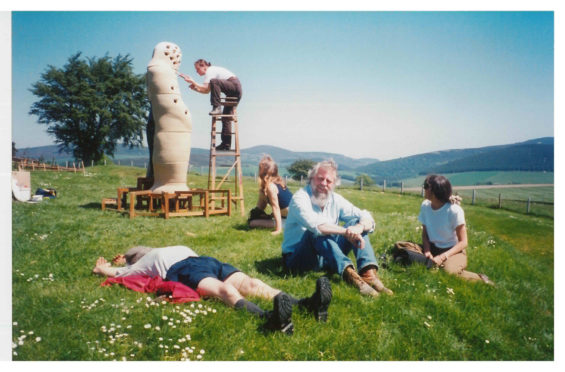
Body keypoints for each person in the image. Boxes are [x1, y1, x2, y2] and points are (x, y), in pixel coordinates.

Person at [92, 245, 332, 334]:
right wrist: (109, 266)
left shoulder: (151, 255)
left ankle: (289, 311)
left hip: (196, 265)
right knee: (238, 287)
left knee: (238, 287)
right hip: (198, 265)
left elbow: (122, 270)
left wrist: (106, 267)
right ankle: (286, 312)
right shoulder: (154, 256)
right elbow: (122, 271)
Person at [281, 160, 392, 298]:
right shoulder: (300, 198)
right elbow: (317, 225)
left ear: (333, 185)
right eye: (320, 179)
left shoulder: (335, 199)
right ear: (311, 179)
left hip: (326, 255)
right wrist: (347, 232)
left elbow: (365, 215)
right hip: (299, 258)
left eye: (329, 181)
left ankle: (368, 274)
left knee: (356, 221)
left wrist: (359, 227)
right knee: (316, 233)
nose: (323, 183)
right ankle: (351, 276)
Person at [394, 174, 493, 285]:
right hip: (432, 248)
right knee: (400, 245)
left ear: (435, 191)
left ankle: (481, 279)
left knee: (447, 272)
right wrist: (427, 251)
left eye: (426, 186)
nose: (424, 188)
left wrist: (442, 257)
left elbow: (463, 242)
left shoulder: (454, 211)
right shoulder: (425, 206)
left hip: (453, 251)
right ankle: (429, 262)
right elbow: (425, 233)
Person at [179, 59, 242, 151]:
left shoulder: (210, 70)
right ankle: (226, 144)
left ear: (203, 66)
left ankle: (217, 107)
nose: (197, 72)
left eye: (197, 69)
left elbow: (208, 86)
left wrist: (193, 81)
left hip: (234, 86)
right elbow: (207, 91)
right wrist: (195, 88)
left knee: (214, 81)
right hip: (234, 92)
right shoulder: (211, 73)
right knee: (226, 119)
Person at [248, 155, 293, 235]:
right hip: (288, 216)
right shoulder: (276, 183)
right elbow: (260, 206)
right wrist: (256, 214)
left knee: (253, 223)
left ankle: (283, 226)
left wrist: (278, 230)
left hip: (292, 220)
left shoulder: (271, 187)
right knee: (253, 221)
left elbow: (276, 208)